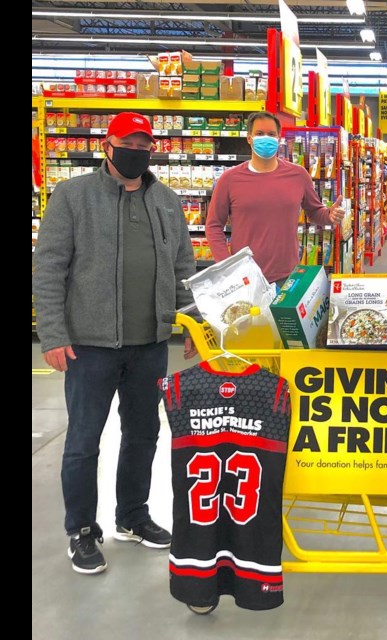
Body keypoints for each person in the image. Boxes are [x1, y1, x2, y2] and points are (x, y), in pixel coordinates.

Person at [33, 111, 199, 575]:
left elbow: (182, 269)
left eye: (146, 145)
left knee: (144, 433)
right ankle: (81, 530)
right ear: (108, 145)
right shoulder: (72, 197)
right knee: (84, 441)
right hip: (89, 345)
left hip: (150, 344)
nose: (139, 151)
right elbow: (48, 269)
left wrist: (192, 323)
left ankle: (132, 515)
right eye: (130, 142)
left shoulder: (166, 200)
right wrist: (53, 333)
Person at [205, 112, 346, 288]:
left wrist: (329, 215)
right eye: (259, 134)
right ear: (249, 138)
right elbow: (213, 226)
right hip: (245, 279)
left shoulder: (298, 175)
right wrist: (226, 265)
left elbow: (315, 212)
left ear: (279, 138)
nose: (266, 138)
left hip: (288, 275)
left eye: (271, 134)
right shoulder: (229, 179)